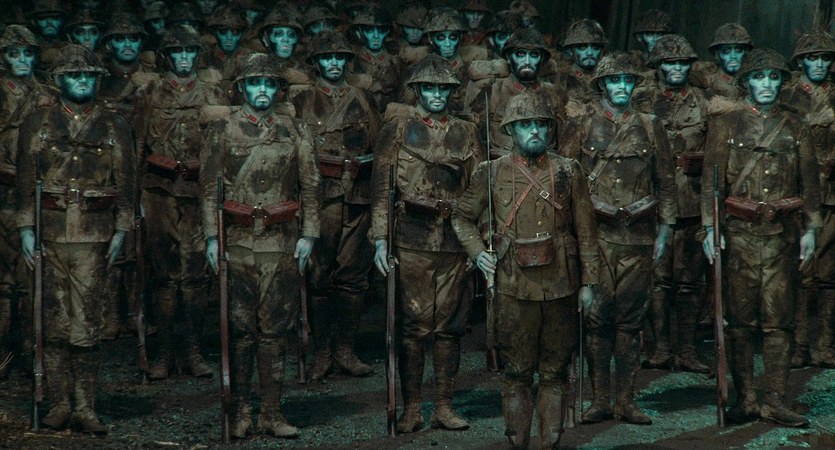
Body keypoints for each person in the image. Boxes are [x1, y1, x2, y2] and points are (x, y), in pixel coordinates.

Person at [451, 92, 599, 449]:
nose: (534, 131)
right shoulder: (490, 172)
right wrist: (478, 253)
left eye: (541, 124)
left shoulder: (569, 170)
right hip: (512, 287)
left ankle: (550, 445)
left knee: (554, 372)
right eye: (525, 124)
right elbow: (461, 217)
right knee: (516, 373)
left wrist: (589, 282)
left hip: (561, 285)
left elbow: (586, 231)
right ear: (510, 130)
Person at [16, 43, 135, 434]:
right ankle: (59, 404)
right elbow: (24, 181)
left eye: (88, 75)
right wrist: (25, 228)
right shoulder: (38, 122)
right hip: (49, 232)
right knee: (52, 322)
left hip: (93, 233)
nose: (82, 81)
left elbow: (126, 182)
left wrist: (122, 229)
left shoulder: (114, 123)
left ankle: (85, 406)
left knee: (87, 324)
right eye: (73, 75)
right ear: (59, 79)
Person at [201, 52, 320, 440]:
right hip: (237, 242)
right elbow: (209, 190)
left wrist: (309, 234)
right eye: (255, 83)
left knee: (275, 330)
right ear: (242, 89)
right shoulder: (221, 129)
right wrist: (212, 238)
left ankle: (271, 412)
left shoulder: (296, 130)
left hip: (281, 240)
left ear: (279, 89)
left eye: (269, 83)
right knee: (241, 330)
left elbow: (310, 185)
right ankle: (240, 412)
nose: (262, 90)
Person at [701, 48, 820, 428]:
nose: (766, 84)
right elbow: (712, 184)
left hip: (781, 238)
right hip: (739, 237)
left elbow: (810, 184)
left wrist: (811, 230)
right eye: (758, 77)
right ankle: (747, 399)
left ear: (781, 82)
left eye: (773, 77)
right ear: (746, 82)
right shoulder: (726, 125)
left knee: (779, 323)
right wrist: (710, 229)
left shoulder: (796, 126)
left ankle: (775, 401)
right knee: (738, 323)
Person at [560, 52, 676, 425]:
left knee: (630, 320)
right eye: (614, 81)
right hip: (596, 237)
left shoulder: (651, 126)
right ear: (602, 86)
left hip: (638, 237)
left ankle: (625, 400)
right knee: (597, 319)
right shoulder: (581, 125)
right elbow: (563, 180)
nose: (622, 87)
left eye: (628, 80)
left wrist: (666, 229)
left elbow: (666, 182)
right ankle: (600, 400)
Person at [371, 54, 482, 433]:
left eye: (443, 89)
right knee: (413, 328)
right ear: (417, 90)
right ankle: (413, 408)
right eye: (429, 88)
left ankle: (444, 407)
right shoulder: (397, 130)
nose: (437, 95)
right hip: (411, 239)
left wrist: (478, 244)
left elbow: (479, 190)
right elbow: (381, 191)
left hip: (454, 241)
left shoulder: (467, 132)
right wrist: (380, 240)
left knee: (450, 327)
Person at [134, 24, 225, 381]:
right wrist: (135, 199)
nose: (184, 58)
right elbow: (137, 147)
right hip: (159, 191)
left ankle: (193, 349)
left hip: (198, 192)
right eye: (177, 52)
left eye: (190, 52)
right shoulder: (150, 92)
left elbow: (223, 147)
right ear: (166, 56)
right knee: (164, 276)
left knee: (196, 275)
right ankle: (165, 351)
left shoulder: (212, 92)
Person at [292, 31, 380, 381]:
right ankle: (322, 352)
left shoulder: (364, 99)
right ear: (316, 63)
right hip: (320, 198)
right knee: (318, 277)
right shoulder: (301, 102)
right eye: (326, 58)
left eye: (339, 57)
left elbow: (379, 149)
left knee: (353, 278)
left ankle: (345, 349)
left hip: (358, 197)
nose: (333, 63)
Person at [632, 34, 710, 373]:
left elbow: (715, 151)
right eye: (669, 62)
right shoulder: (642, 101)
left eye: (681, 63)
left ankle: (687, 350)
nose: (676, 68)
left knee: (690, 282)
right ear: (658, 65)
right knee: (657, 280)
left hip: (692, 199)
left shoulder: (704, 102)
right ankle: (660, 347)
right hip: (654, 200)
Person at [780, 31, 835, 368]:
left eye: (825, 58)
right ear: (800, 61)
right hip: (797, 196)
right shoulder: (786, 96)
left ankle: (824, 345)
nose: (819, 64)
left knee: (829, 274)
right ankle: (798, 345)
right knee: (799, 271)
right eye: (812, 58)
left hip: (832, 196)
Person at [0, 25, 50, 379]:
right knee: (3, 280)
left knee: (34, 276)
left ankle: (35, 351)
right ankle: (4, 348)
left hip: (35, 197)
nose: (22, 60)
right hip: (1, 195)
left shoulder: (47, 96)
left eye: (28, 54)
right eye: (14, 54)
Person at [467, 27, 565, 157]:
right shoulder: (493, 90)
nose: (527, 61)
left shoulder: (554, 93)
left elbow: (563, 141)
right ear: (508, 57)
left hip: (544, 164)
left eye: (534, 55)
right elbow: (475, 140)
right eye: (520, 54)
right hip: (501, 162)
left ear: (542, 59)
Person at [348, 5, 401, 114]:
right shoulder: (351, 58)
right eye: (369, 30)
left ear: (387, 32)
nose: (376, 35)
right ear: (359, 32)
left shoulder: (396, 59)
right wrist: (371, 83)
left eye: (381, 31)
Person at [551, 18, 608, 103]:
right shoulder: (559, 79)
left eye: (595, 47)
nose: (589, 53)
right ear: (571, 50)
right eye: (582, 47)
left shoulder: (608, 81)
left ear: (602, 50)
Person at [691, 23, 753, 100]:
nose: (733, 56)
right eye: (726, 51)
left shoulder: (755, 81)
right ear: (717, 54)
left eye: (738, 50)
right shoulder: (705, 79)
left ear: (746, 52)